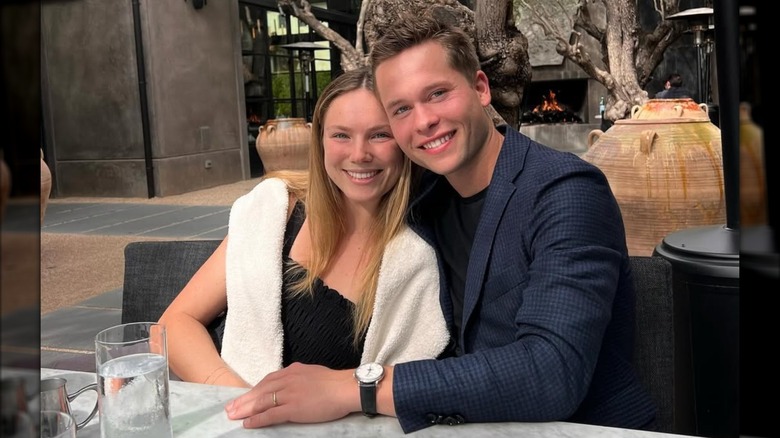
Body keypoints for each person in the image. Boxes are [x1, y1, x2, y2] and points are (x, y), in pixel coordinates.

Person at [225, 15, 657, 433]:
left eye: (437, 94)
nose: (424, 120)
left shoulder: (565, 191)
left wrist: (355, 386)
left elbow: (551, 370)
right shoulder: (429, 197)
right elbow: (357, 172)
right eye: (401, 109)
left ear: (481, 88)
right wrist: (285, 193)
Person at [158, 67, 449, 389]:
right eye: (341, 135)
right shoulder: (274, 213)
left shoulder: (424, 250)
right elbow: (173, 324)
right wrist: (239, 400)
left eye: (380, 134)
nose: (359, 154)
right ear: (320, 141)